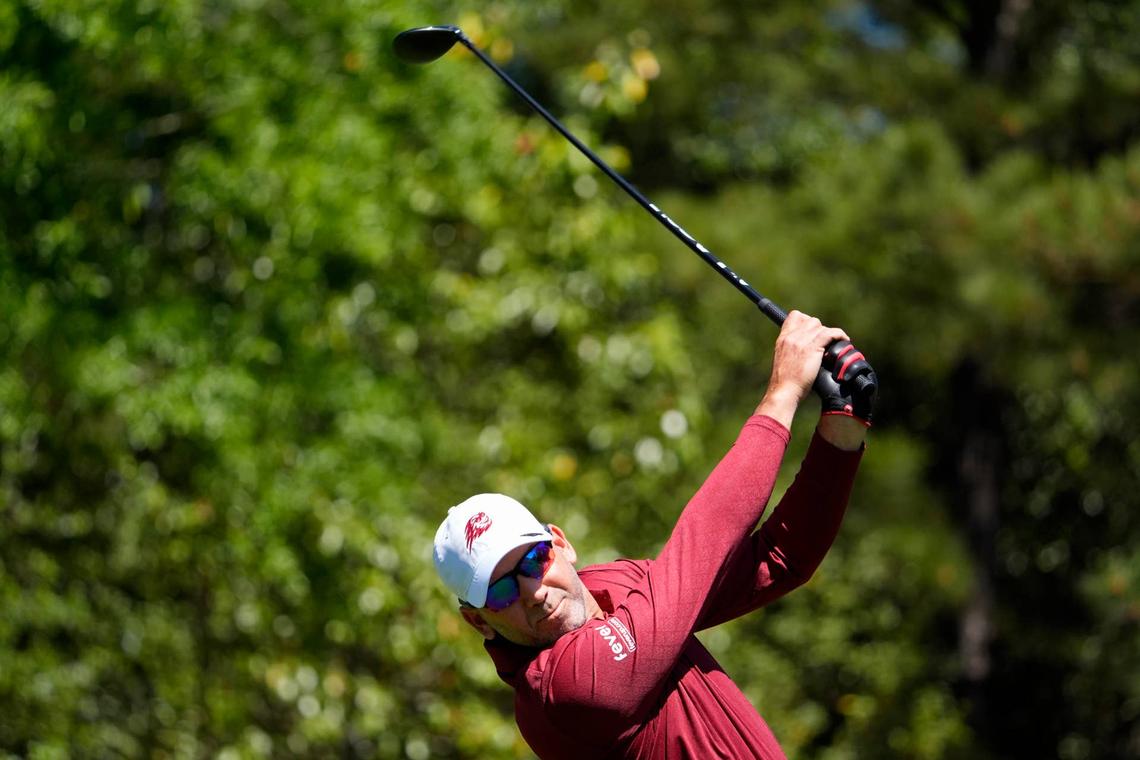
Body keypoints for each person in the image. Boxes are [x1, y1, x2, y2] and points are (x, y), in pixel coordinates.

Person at [432, 311, 873, 758]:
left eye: (532, 561)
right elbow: (706, 540)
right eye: (502, 589)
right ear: (479, 621)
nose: (533, 591)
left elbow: (779, 558)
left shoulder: (616, 587)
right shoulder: (563, 694)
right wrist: (782, 394)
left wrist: (843, 426)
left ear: (560, 543)